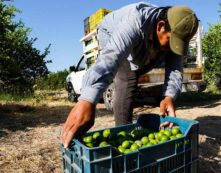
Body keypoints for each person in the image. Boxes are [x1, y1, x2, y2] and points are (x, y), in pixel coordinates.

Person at [61, 2, 199, 148]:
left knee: (144, 66)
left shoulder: (173, 31)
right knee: (128, 79)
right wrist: (87, 100)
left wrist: (169, 96)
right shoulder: (135, 21)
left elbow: (175, 67)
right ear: (160, 26)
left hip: (144, 40)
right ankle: (123, 133)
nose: (173, 47)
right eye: (171, 41)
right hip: (110, 33)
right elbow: (111, 58)